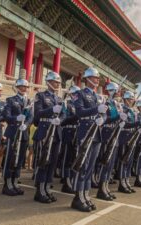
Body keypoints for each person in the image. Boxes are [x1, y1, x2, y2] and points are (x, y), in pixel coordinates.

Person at [71, 67, 107, 212]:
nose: (98, 80)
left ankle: (86, 195)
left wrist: (103, 119)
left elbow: (103, 114)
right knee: (83, 166)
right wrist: (96, 110)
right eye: (95, 78)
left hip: (97, 133)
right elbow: (79, 112)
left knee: (90, 167)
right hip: (85, 132)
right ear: (87, 79)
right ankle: (78, 197)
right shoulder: (80, 94)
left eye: (98, 78)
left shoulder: (99, 97)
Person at [33, 72, 63, 203]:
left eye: (58, 82)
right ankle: (39, 191)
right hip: (44, 131)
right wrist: (52, 110)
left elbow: (63, 115)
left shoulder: (58, 99)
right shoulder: (40, 96)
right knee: (43, 162)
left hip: (56, 131)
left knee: (52, 162)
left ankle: (47, 188)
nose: (57, 84)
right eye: (55, 82)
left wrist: (60, 120)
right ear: (49, 82)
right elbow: (37, 114)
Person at [2, 78, 32, 196]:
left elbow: (31, 116)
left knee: (20, 159)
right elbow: (6, 115)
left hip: (23, 132)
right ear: (17, 87)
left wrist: (26, 124)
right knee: (10, 158)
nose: (24, 88)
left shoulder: (29, 101)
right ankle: (7, 184)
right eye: (22, 86)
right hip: (13, 131)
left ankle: (15, 182)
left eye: (26, 87)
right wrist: (16, 119)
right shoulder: (10, 100)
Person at [60, 85, 80, 194]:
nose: (77, 96)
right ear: (71, 94)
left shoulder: (78, 104)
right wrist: (76, 116)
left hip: (76, 132)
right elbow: (64, 120)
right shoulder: (67, 104)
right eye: (76, 94)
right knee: (67, 158)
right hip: (68, 132)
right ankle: (66, 181)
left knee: (73, 158)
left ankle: (71, 180)